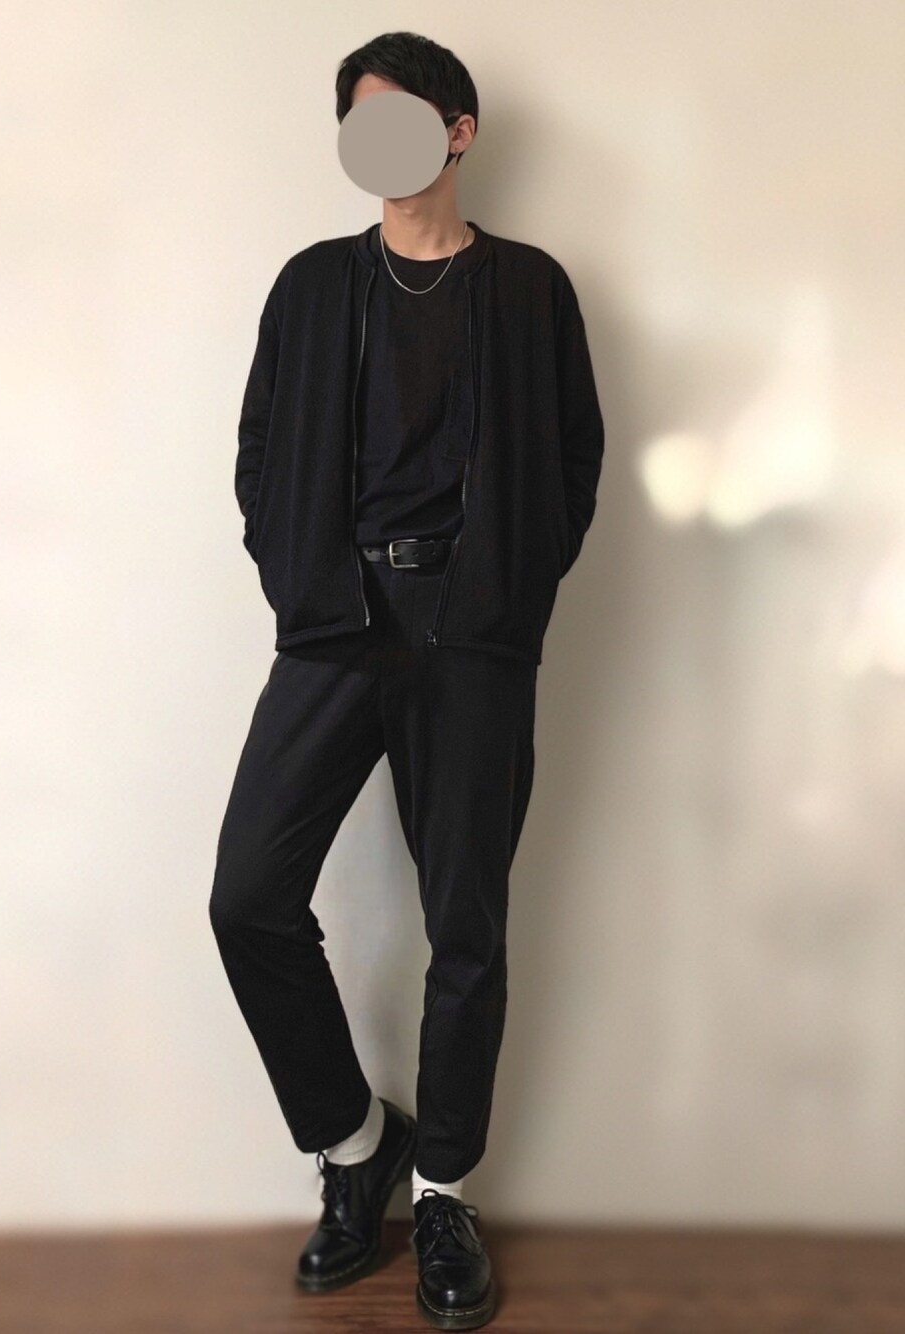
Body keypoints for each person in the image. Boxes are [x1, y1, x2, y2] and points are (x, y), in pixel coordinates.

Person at [209, 30, 604, 1331]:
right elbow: (259, 452)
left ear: (457, 130)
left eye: (400, 119)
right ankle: (354, 1140)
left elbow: (576, 460)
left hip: (473, 630)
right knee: (249, 895)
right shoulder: (313, 287)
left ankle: (441, 1194)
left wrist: (509, 593)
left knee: (465, 925)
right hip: (336, 620)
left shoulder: (531, 290)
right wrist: (298, 575)